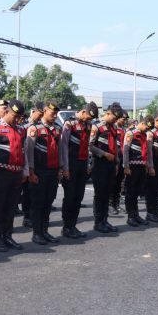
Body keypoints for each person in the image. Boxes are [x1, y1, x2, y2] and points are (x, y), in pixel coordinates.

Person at [0, 100, 29, 252]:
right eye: (14, 116)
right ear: (7, 112)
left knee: (10, 207)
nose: (17, 119)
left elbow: (24, 152)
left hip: (16, 174)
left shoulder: (21, 130)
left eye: (19, 117)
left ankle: (8, 235)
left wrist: (25, 171)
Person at [25, 101, 62, 244]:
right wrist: (31, 172)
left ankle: (45, 231)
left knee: (48, 202)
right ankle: (37, 233)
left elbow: (58, 150)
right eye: (52, 113)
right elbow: (29, 153)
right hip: (39, 172)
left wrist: (60, 168)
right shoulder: (35, 129)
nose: (54, 116)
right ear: (45, 111)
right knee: (38, 203)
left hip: (52, 171)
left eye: (56, 114)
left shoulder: (57, 129)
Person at [60, 102, 98, 238]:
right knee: (70, 197)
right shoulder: (69, 124)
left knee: (78, 197)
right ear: (83, 112)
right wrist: (65, 167)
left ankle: (73, 225)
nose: (89, 120)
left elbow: (87, 146)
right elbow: (63, 146)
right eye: (88, 117)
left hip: (82, 165)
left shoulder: (87, 125)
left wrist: (88, 164)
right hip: (71, 164)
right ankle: (66, 227)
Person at [89, 103, 122, 233]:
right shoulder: (96, 127)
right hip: (100, 164)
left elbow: (116, 146)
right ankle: (98, 223)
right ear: (108, 113)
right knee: (100, 195)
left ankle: (105, 220)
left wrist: (117, 162)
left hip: (111, 165)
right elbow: (89, 146)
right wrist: (103, 154)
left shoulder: (113, 128)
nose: (115, 120)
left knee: (107, 194)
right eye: (114, 117)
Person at [123, 117, 152, 226]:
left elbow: (146, 152)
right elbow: (125, 150)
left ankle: (136, 215)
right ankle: (130, 216)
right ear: (142, 123)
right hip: (132, 166)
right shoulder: (131, 133)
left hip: (141, 166)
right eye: (146, 127)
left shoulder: (144, 135)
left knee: (136, 192)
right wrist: (126, 167)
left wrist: (147, 165)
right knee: (130, 192)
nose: (147, 129)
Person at [21, 102, 44, 228]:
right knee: (28, 192)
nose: (40, 116)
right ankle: (27, 216)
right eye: (39, 113)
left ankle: (35, 215)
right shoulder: (24, 125)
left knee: (37, 193)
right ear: (33, 111)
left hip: (40, 163)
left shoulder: (42, 126)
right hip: (27, 162)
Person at [110, 110, 128, 215]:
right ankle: (110, 205)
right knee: (112, 183)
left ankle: (116, 204)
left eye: (126, 119)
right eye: (123, 119)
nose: (125, 121)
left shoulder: (123, 130)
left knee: (118, 183)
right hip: (114, 158)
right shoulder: (113, 128)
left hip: (121, 157)